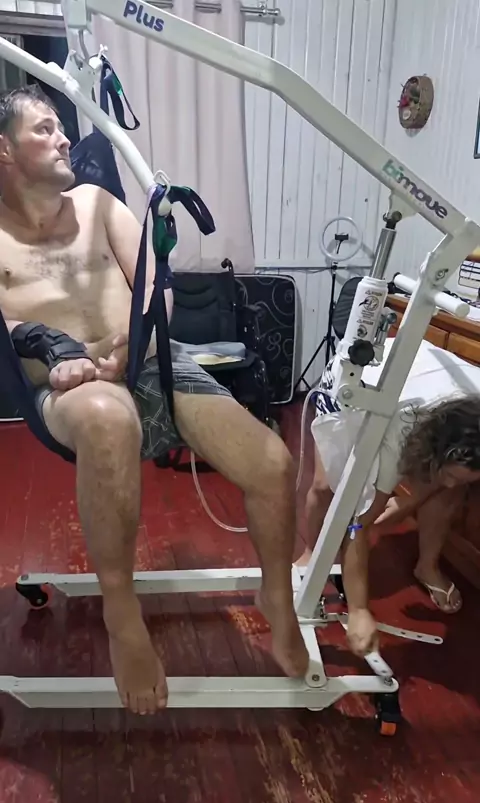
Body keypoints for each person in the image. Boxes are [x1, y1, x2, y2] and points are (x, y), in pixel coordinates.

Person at [0, 85, 309, 715]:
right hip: (68, 387)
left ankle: (276, 594)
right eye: (44, 129)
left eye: (62, 127)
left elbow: (154, 284)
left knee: (273, 464)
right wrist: (49, 345)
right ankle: (123, 618)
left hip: (149, 363)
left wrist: (132, 338)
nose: (64, 138)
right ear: (4, 150)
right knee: (109, 419)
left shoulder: (96, 203)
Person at [296, 338, 480, 658]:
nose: (449, 483)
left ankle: (427, 566)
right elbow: (358, 524)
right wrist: (359, 610)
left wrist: (409, 501)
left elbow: (450, 476)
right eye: (448, 474)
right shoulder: (404, 427)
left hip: (430, 386)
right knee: (327, 486)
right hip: (360, 382)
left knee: (452, 490)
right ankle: (312, 553)